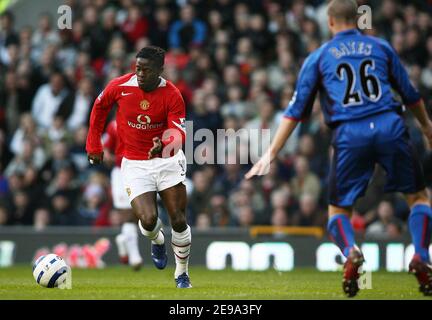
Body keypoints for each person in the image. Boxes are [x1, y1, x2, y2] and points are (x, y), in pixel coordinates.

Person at [246, 0, 432, 297]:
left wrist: (271, 153)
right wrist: (426, 127)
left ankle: (351, 251)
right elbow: (410, 94)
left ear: (330, 22)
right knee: (419, 197)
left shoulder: (319, 57)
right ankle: (421, 253)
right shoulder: (381, 47)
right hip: (390, 126)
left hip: (350, 133)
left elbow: (294, 112)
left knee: (338, 210)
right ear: (358, 19)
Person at [86, 46, 191, 288]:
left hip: (168, 160)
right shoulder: (119, 86)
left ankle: (181, 273)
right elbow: (99, 107)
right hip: (134, 162)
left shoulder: (173, 94)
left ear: (160, 71)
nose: (140, 74)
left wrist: (163, 143)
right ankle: (157, 239)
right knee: (147, 218)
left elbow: (179, 132)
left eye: (147, 70)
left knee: (177, 219)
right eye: (138, 68)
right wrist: (94, 144)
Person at [103, 119, 143, 270]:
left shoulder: (144, 122)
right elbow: (107, 147)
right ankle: (134, 256)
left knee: (141, 214)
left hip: (140, 170)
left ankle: (124, 239)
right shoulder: (114, 125)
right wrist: (108, 156)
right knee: (126, 214)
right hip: (120, 172)